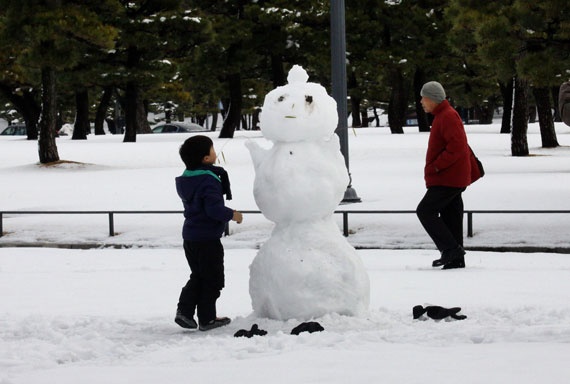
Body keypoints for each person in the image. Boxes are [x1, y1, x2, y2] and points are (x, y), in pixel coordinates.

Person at [174, 135, 243, 331]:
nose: (215, 152)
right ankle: (206, 319)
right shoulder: (208, 181)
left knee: (199, 275)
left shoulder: (189, 178)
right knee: (212, 279)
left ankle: (186, 312)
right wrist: (233, 214)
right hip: (207, 239)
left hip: (191, 237)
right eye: (213, 150)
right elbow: (213, 210)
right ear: (206, 158)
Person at [416, 81, 472, 270]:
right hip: (452, 177)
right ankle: (456, 258)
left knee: (425, 211)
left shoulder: (447, 116)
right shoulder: (443, 115)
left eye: (423, 98)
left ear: (432, 99)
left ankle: (450, 249)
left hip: (448, 178)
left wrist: (436, 167)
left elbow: (456, 148)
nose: (421, 102)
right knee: (451, 215)